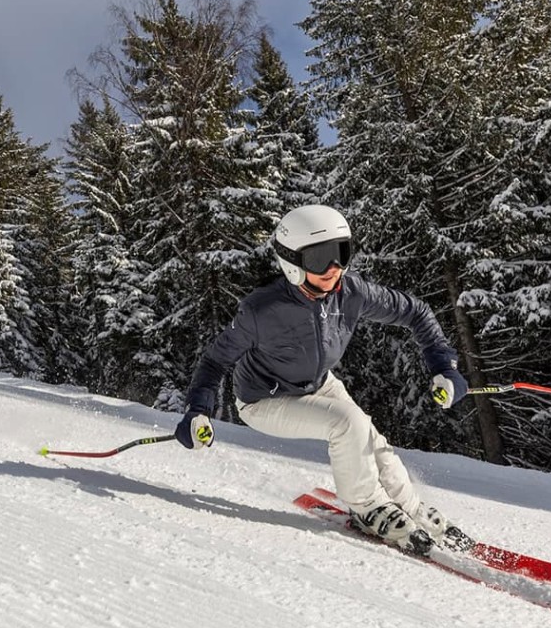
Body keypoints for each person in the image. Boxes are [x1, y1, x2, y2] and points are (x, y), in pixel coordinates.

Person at [174, 204, 471, 555]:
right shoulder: (261, 310)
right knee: (348, 423)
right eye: (319, 259)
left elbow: (415, 312)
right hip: (263, 400)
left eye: (340, 254)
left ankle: (410, 506)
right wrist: (197, 409)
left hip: (318, 383)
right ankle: (367, 507)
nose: (333, 269)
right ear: (291, 262)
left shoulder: (351, 293)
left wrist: (444, 366)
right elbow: (215, 361)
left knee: (372, 439)